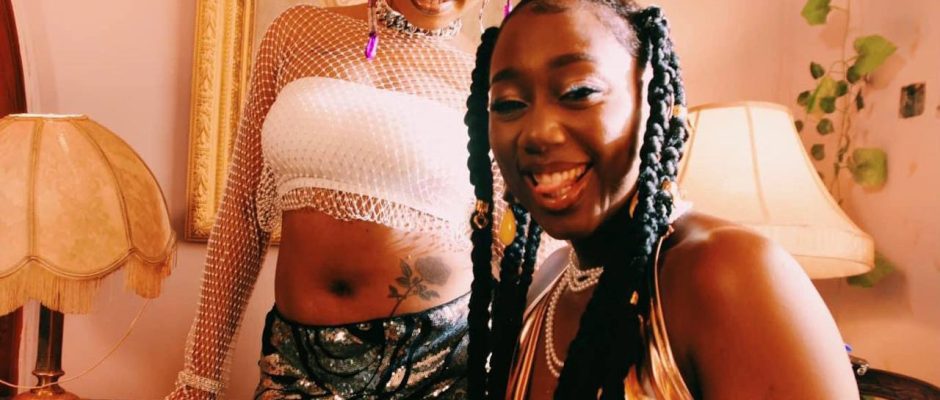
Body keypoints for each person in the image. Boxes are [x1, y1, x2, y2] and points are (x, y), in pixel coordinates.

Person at [463, 0, 861, 398]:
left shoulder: (727, 275)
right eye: (509, 104)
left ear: (652, 96)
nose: (538, 133)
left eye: (578, 92)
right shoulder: (545, 284)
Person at [165, 0, 512, 397]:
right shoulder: (296, 33)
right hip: (297, 359)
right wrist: (201, 377)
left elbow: (510, 248)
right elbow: (243, 210)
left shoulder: (494, 77)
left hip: (440, 363)